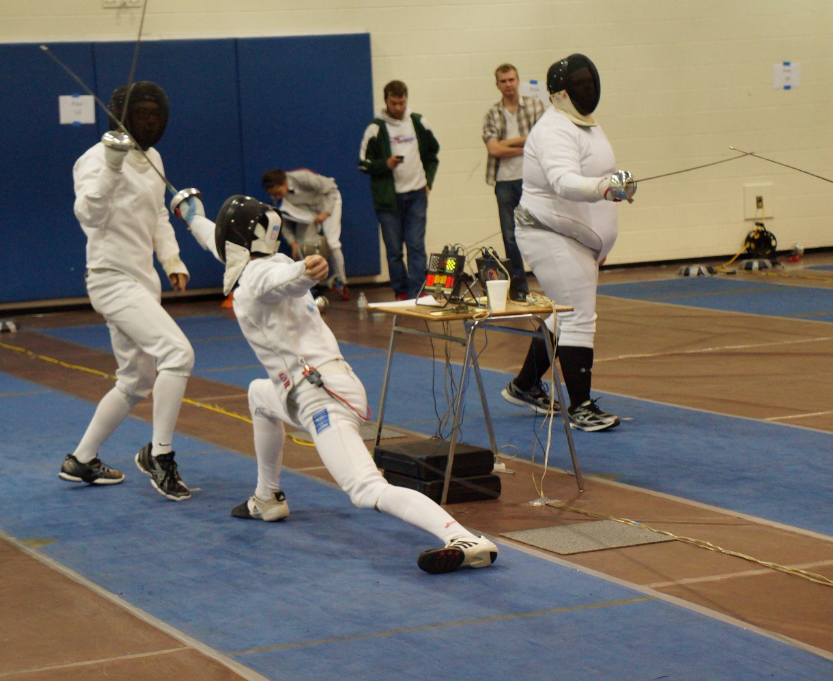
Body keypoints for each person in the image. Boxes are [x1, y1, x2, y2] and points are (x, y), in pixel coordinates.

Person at [171, 192, 498, 574]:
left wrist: (305, 271)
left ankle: (463, 537)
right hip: (304, 388)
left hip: (322, 396)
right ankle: (267, 498)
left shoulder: (263, 274)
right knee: (259, 395)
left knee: (365, 489)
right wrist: (192, 215)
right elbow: (218, 239)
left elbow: (280, 280)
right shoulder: (253, 262)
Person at [57, 81, 195, 500]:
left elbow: (157, 213)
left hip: (142, 280)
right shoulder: (94, 159)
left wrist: (171, 259)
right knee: (178, 353)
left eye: (156, 115)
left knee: (136, 380)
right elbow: (89, 216)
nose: (151, 122)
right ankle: (160, 455)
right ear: (121, 116)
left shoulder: (153, 157)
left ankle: (81, 460)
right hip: (110, 278)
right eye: (142, 114)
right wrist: (112, 168)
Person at [500, 54, 636, 432]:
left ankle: (525, 385)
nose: (587, 90)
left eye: (589, 83)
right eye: (579, 85)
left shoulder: (585, 126)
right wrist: (603, 188)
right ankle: (581, 407)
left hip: (574, 239)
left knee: (559, 317)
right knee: (577, 316)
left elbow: (597, 174)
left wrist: (616, 185)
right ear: (560, 94)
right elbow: (564, 182)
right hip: (550, 234)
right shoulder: (553, 129)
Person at [358, 81, 439, 301]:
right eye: (394, 103)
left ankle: (418, 292)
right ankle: (402, 291)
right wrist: (386, 164)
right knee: (394, 251)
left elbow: (433, 154)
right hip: (388, 199)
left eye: (402, 102)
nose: (399, 107)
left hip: (416, 194)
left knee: (416, 246)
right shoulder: (375, 129)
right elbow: (363, 164)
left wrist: (428, 181)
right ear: (386, 101)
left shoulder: (419, 122)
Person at [482, 63, 545, 302]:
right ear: (497, 85)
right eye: (503, 81)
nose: (508, 85)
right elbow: (494, 149)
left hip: (532, 180)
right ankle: (519, 288)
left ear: (518, 80)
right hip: (504, 182)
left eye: (511, 80)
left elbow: (539, 142)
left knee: (538, 232)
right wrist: (524, 142)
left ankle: (547, 280)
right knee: (510, 237)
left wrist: (507, 143)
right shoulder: (492, 114)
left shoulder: (535, 106)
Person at [262, 168, 349, 300]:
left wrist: (326, 213)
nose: (277, 197)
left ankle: (341, 282)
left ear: (285, 183)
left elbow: (331, 189)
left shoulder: (301, 178)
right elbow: (284, 222)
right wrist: (293, 243)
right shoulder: (277, 199)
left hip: (329, 202)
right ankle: (312, 286)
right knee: (302, 247)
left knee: (332, 242)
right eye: (274, 195)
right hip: (308, 210)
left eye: (279, 193)